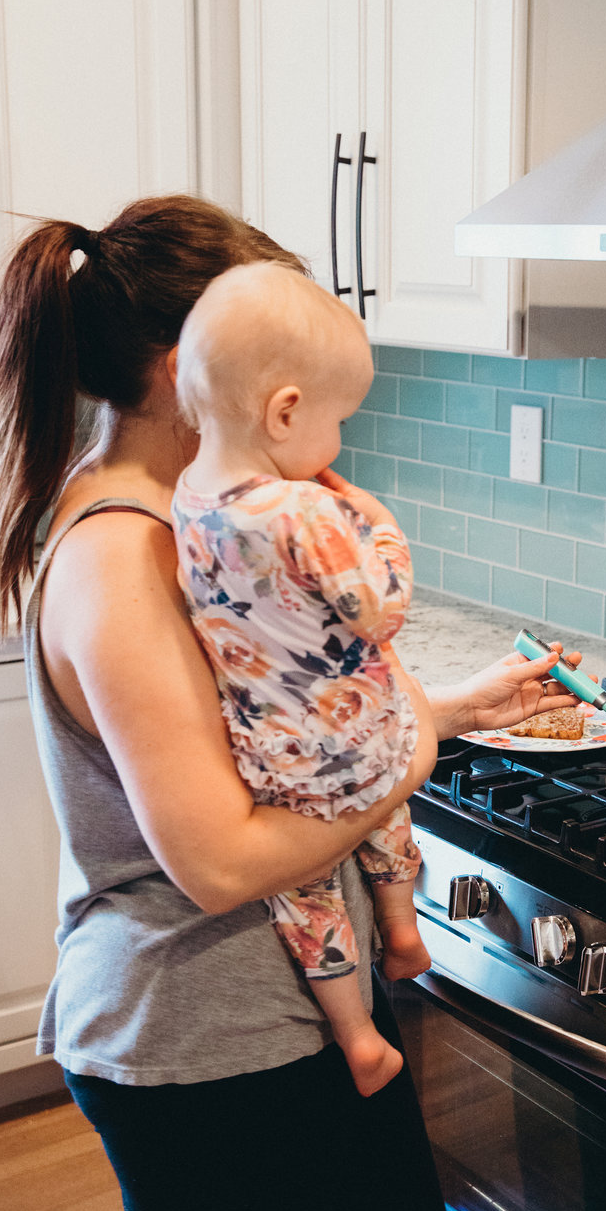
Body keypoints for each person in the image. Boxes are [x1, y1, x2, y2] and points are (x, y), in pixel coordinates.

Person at [0, 194, 582, 1211]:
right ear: (186, 374)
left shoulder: (214, 522)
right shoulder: (123, 563)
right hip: (198, 1031)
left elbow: (290, 719)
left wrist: (454, 710)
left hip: (282, 1008)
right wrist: (407, 759)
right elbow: (218, 860)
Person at [172, 261, 430, 1098]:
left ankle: (355, 1037)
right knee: (384, 809)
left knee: (303, 892)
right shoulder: (305, 509)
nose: (340, 443)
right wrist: (381, 529)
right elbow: (378, 611)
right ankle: (401, 930)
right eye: (339, 420)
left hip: (270, 753)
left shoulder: (187, 498)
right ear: (285, 410)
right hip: (355, 736)